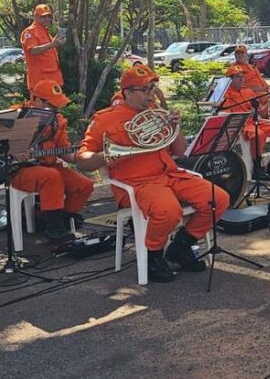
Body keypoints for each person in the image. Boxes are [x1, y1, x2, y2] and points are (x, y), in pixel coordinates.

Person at [77, 64, 229, 283]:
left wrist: (176, 127)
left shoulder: (156, 112)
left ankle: (182, 246)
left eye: (152, 89)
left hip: (169, 174)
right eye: (144, 90)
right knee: (169, 211)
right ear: (127, 92)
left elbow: (179, 151)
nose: (151, 95)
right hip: (137, 183)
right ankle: (153, 254)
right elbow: (83, 161)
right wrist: (107, 155)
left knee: (219, 198)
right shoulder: (104, 119)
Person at [9, 80, 94, 242]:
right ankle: (55, 231)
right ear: (36, 100)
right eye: (51, 104)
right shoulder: (15, 114)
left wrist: (85, 157)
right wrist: (15, 150)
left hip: (50, 166)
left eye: (57, 105)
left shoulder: (58, 120)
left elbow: (65, 152)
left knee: (84, 185)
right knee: (51, 176)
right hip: (19, 170)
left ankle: (57, 219)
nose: (56, 108)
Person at [220, 64, 270, 171]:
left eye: (243, 76)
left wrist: (269, 103)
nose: (242, 79)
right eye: (238, 77)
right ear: (229, 80)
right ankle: (257, 167)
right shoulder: (225, 95)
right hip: (241, 124)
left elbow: (260, 110)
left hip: (255, 121)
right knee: (258, 134)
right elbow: (227, 117)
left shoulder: (248, 91)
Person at [20, 4, 65, 92]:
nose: (47, 19)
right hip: (40, 80)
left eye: (49, 16)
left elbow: (50, 51)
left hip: (54, 79)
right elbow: (33, 50)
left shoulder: (45, 31)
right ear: (35, 17)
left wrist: (57, 44)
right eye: (43, 16)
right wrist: (52, 44)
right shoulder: (30, 32)